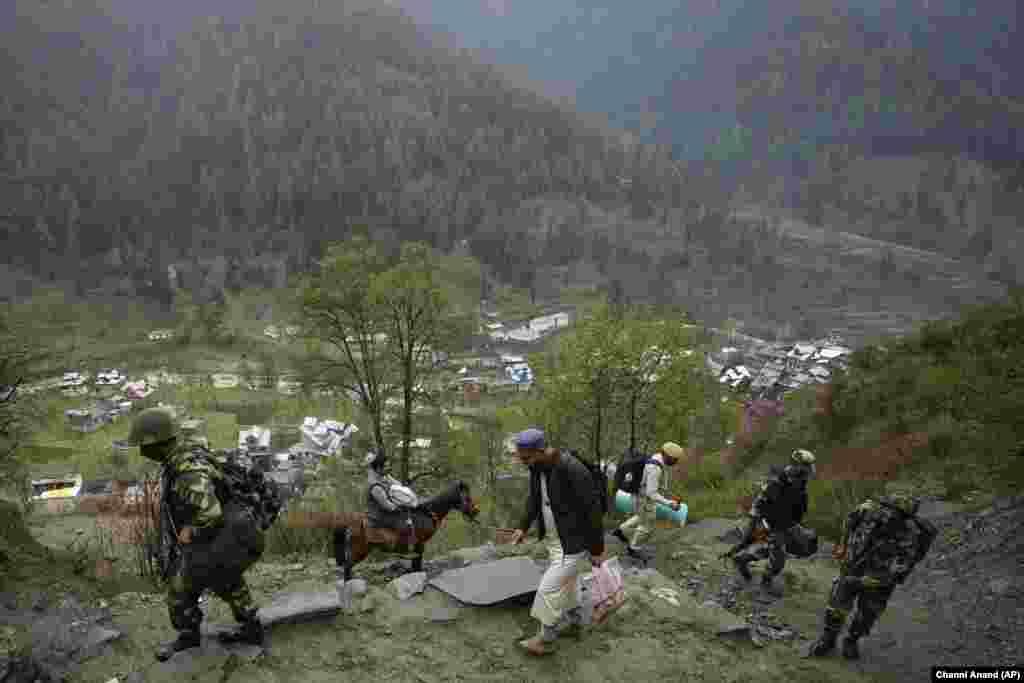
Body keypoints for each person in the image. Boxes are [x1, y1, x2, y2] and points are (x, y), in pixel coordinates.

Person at [123, 407, 265, 661]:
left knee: (180, 589)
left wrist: (189, 530)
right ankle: (251, 629)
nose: (141, 451)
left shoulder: (188, 472)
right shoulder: (187, 452)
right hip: (236, 533)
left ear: (156, 443)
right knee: (227, 578)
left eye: (143, 445)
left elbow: (210, 513)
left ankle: (189, 637)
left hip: (224, 534)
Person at [508, 429, 606, 656]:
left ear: (541, 450)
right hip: (555, 540)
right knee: (568, 584)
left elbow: (592, 512)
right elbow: (534, 500)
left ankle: (546, 639)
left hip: (572, 543)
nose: (523, 463)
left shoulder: (573, 469)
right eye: (521, 458)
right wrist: (522, 527)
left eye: (526, 458)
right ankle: (576, 622)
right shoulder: (536, 467)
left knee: (547, 589)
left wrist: (597, 549)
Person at [807, 490, 936, 660]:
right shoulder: (867, 510)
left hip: (878, 580)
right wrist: (842, 546)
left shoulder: (909, 533)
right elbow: (849, 523)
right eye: (887, 509)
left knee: (867, 615)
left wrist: (880, 579)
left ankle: (851, 641)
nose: (888, 515)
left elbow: (904, 564)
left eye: (896, 514)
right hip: (852, 568)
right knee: (836, 607)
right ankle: (828, 639)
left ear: (905, 517)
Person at [731, 449, 816, 593]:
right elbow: (759, 505)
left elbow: (798, 506)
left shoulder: (799, 483)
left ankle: (743, 558)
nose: (809, 471)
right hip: (774, 523)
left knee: (806, 543)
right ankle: (765, 580)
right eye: (806, 467)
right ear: (798, 467)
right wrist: (749, 533)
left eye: (809, 467)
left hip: (788, 522)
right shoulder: (778, 483)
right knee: (778, 560)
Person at [611, 442, 683, 558]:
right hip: (644, 500)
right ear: (667, 456)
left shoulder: (656, 458)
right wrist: (669, 503)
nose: (675, 462)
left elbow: (653, 484)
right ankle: (633, 548)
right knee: (648, 526)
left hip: (640, 497)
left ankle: (621, 531)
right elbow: (651, 493)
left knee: (641, 517)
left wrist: (667, 492)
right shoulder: (655, 468)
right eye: (674, 459)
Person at [365, 451, 421, 550]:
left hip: (386, 511)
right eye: (386, 466)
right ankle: (400, 550)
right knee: (405, 525)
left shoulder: (385, 476)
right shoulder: (375, 485)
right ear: (378, 469)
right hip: (379, 515)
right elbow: (387, 505)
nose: (389, 467)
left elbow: (398, 486)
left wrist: (407, 498)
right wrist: (402, 506)